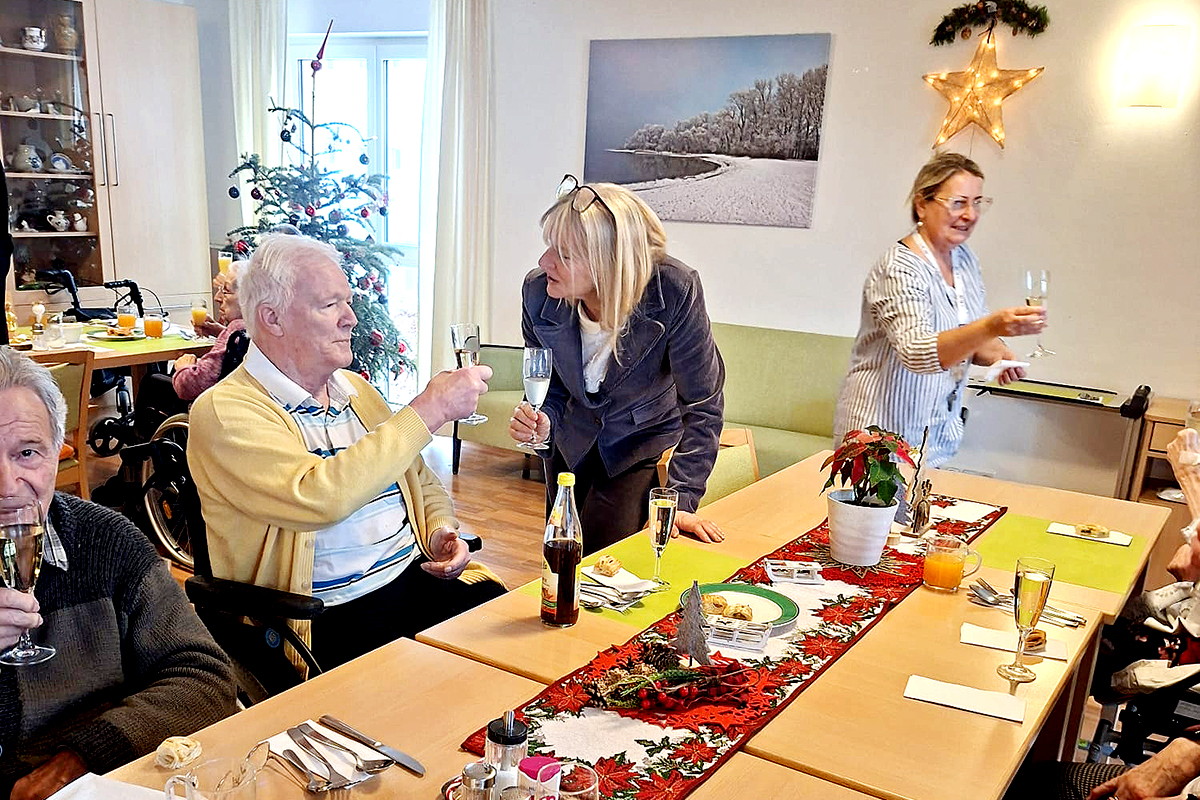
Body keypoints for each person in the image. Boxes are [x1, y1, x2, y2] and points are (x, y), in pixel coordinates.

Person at [188, 234, 505, 672]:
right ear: (272, 318)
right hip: (324, 616)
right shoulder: (225, 411)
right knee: (445, 691)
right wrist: (428, 410)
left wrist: (438, 531)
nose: (351, 319)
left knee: (506, 627)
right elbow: (320, 498)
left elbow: (419, 480)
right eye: (329, 305)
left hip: (409, 579)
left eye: (348, 302)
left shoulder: (356, 390)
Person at [0, 347, 235, 799]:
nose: (7, 486)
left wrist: (80, 759)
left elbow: (205, 677)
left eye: (27, 453)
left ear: (57, 454)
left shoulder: (107, 542)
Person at [509, 176, 725, 554]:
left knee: (611, 567)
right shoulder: (537, 292)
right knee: (562, 558)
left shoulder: (674, 290)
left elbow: (704, 405)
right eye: (549, 248)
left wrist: (680, 500)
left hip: (635, 445)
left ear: (609, 262)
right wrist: (543, 424)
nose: (545, 263)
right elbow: (552, 388)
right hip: (569, 442)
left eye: (564, 254)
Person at [833, 152, 1045, 467]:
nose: (971, 214)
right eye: (958, 203)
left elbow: (968, 335)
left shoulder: (965, 260)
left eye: (978, 202)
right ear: (922, 204)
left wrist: (1001, 354)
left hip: (934, 437)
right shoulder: (899, 267)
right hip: (879, 439)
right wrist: (991, 327)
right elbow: (918, 353)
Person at [171, 262, 247, 401]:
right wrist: (220, 332)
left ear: (248, 296)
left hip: (217, 405)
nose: (217, 298)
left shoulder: (236, 328)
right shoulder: (262, 327)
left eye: (225, 291)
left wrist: (184, 368)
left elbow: (192, 386)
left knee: (152, 382)